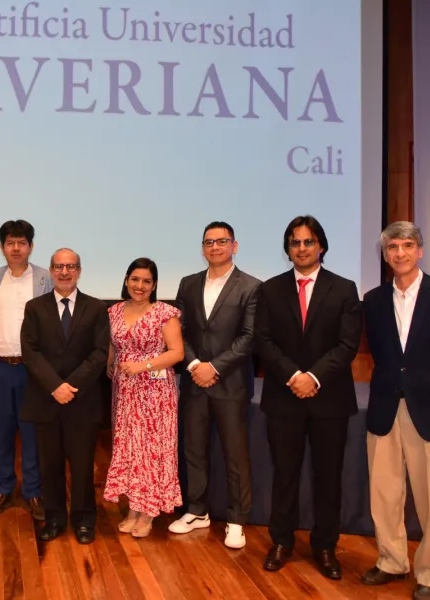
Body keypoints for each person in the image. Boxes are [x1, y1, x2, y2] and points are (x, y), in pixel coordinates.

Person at [255, 215, 362, 579]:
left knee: (328, 476)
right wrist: (294, 376)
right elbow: (263, 341)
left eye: (308, 242)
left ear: (321, 246)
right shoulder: (270, 289)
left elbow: (347, 344)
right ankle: (281, 541)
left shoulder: (344, 289)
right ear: (288, 249)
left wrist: (313, 377)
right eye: (295, 243)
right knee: (284, 474)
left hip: (329, 399)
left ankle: (325, 546)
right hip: (284, 397)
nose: (301, 248)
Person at [361, 221, 430, 600]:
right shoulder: (373, 300)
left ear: (420, 251)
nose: (400, 253)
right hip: (384, 406)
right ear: (385, 255)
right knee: (385, 492)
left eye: (407, 246)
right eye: (392, 247)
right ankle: (392, 560)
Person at [169, 222, 261, 549]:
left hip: (230, 384)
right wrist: (195, 365)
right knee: (193, 449)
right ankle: (197, 511)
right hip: (194, 381)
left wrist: (215, 368)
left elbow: (250, 337)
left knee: (235, 455)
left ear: (234, 246)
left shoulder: (251, 286)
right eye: (209, 242)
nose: (215, 247)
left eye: (222, 241)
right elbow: (179, 331)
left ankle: (236, 520)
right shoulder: (188, 283)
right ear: (202, 248)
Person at [20, 248, 110, 544]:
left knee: (83, 466)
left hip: (82, 401)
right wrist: (54, 386)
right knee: (51, 465)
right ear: (51, 271)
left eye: (71, 266)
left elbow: (99, 353)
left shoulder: (96, 308)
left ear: (79, 271)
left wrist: (70, 386)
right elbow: (30, 352)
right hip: (46, 399)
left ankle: (84, 520)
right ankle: (55, 518)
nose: (65, 272)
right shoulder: (35, 307)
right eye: (59, 266)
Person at [103, 258, 184, 538]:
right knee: (129, 448)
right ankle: (134, 508)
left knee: (151, 450)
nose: (140, 286)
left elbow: (177, 352)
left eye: (146, 281)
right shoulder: (114, 311)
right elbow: (114, 344)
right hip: (125, 391)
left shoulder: (164, 313)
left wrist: (142, 365)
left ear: (154, 285)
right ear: (127, 280)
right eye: (135, 279)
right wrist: (110, 363)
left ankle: (148, 511)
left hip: (155, 392)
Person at [0, 220, 52, 521]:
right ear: (2, 247)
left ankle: (33, 491)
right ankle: (3, 488)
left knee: (33, 433)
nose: (16, 248)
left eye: (22, 243)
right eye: (10, 243)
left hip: (33, 369)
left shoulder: (45, 278)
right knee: (3, 432)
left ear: (31, 246)